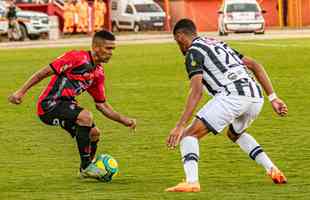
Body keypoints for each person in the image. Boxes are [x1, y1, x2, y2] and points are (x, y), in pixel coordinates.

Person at [165, 19, 288, 192]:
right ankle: (272, 169)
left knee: (188, 135)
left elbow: (196, 91)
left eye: (177, 42)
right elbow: (255, 65)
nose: (179, 47)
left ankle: (192, 182)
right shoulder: (216, 43)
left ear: (180, 36)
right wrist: (273, 98)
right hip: (255, 96)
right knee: (234, 134)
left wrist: (180, 125)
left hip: (233, 96)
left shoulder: (193, 51)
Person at [8, 30, 136, 180]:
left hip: (67, 105)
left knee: (94, 133)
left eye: (113, 49)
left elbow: (102, 105)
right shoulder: (76, 58)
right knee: (85, 117)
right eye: (108, 48)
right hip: (49, 105)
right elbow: (42, 73)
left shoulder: (98, 73)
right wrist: (21, 92)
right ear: (95, 47)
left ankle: (85, 169)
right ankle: (88, 166)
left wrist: (124, 120)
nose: (111, 53)